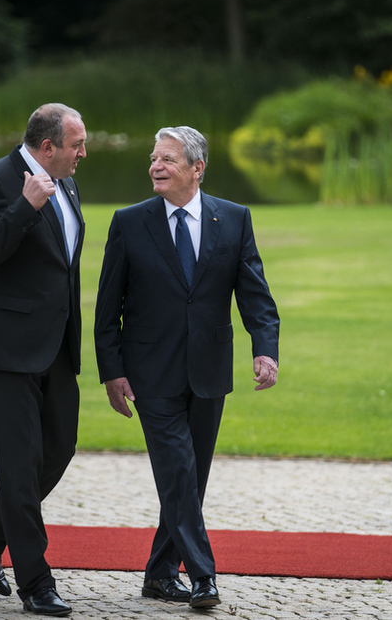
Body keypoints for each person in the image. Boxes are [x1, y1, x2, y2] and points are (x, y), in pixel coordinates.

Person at [94, 125, 280, 609]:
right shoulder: (130, 222)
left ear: (197, 169)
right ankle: (202, 575)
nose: (156, 166)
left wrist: (265, 348)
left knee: (190, 480)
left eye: (168, 159)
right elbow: (106, 307)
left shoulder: (234, 219)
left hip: (209, 371)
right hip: (150, 374)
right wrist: (111, 371)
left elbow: (255, 294)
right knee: (179, 473)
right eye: (154, 158)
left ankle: (158, 574)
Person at [0, 103, 86, 617]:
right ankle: (36, 582)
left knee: (59, 449)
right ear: (47, 146)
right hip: (3, 348)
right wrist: (24, 208)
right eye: (76, 144)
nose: (84, 152)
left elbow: (62, 266)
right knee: (19, 462)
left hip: (54, 347)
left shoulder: (68, 182)